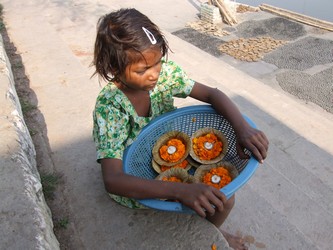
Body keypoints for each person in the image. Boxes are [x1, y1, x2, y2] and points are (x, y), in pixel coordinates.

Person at [92, 8, 268, 250]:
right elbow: (113, 180)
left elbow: (211, 94)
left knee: (223, 196)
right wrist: (179, 191)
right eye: (142, 70)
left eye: (157, 62)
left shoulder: (165, 75)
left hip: (173, 160)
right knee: (216, 201)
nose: (154, 75)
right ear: (114, 68)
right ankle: (210, 236)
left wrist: (242, 128)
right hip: (136, 182)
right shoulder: (110, 106)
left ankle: (212, 231)